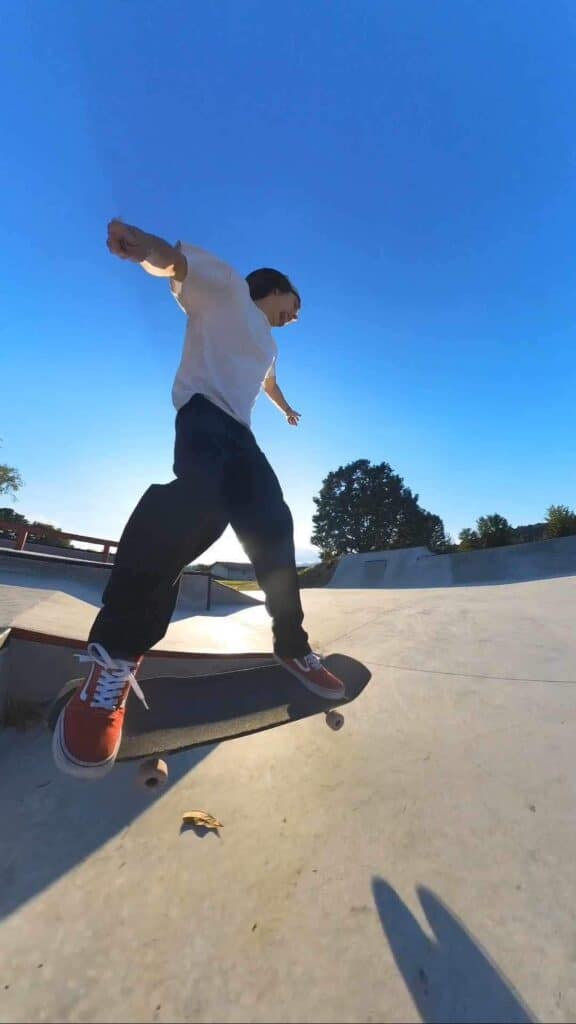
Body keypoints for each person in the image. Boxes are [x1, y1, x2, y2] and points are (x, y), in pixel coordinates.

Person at [52, 219, 346, 779]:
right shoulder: (229, 288)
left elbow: (267, 382)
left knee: (273, 523)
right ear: (275, 287)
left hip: (242, 434)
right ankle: (113, 658)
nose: (296, 316)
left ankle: (292, 644)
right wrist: (148, 251)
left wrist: (284, 410)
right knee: (196, 509)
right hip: (203, 419)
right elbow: (176, 264)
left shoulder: (270, 345)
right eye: (294, 304)